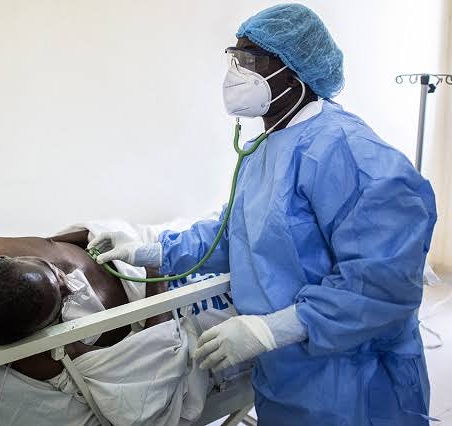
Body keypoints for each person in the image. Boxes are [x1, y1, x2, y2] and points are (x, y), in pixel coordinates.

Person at [88, 3, 437, 425]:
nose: (237, 72)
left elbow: (382, 287)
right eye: (234, 58)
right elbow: (235, 234)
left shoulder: (353, 155)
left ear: (294, 72)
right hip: (284, 377)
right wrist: (151, 251)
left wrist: (272, 329)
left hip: (352, 385)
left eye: (251, 60)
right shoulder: (265, 149)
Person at [0, 227, 171, 380]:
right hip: (152, 281)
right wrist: (155, 272)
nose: (70, 285)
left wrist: (89, 237)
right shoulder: (48, 358)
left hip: (122, 245)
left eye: (53, 271)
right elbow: (152, 354)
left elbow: (50, 243)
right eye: (62, 298)